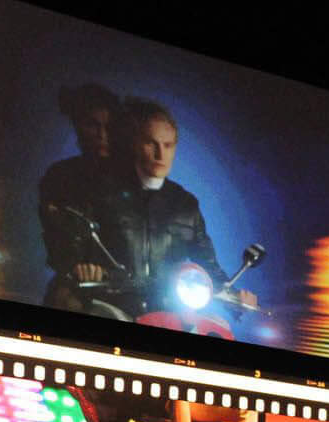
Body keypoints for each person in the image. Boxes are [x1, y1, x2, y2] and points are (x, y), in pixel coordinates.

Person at [77, 99, 255, 318]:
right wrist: (84, 268)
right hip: (115, 305)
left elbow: (208, 264)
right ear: (135, 144)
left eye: (168, 145)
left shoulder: (186, 204)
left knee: (216, 328)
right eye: (151, 144)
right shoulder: (105, 194)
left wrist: (234, 298)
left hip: (170, 311)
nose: (160, 154)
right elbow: (78, 244)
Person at [38, 82, 120, 294]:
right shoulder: (59, 177)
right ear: (77, 125)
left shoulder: (133, 178)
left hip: (130, 285)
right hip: (79, 283)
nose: (102, 134)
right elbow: (55, 236)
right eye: (92, 125)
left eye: (109, 126)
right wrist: (74, 267)